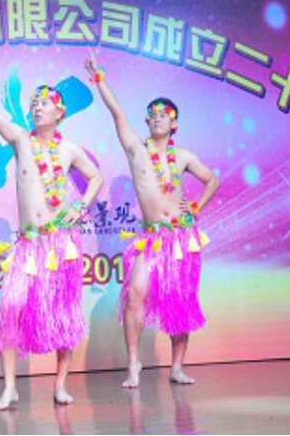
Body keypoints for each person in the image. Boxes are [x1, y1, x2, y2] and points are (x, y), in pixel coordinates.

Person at [0, 58, 103, 409]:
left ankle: (60, 386)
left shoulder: (69, 150)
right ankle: (10, 387)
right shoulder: (21, 141)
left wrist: (82, 205)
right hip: (29, 245)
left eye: (43, 103)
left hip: (61, 244)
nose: (36, 108)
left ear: (59, 111)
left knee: (63, 315)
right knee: (10, 307)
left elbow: (96, 177)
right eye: (33, 103)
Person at [84, 49, 219, 387]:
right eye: (152, 114)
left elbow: (212, 180)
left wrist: (196, 207)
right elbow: (117, 112)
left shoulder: (183, 156)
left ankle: (176, 367)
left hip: (181, 238)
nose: (157, 118)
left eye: (164, 114)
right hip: (152, 238)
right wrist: (99, 79)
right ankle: (134, 363)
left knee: (180, 301)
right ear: (146, 122)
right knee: (135, 293)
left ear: (174, 123)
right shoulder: (136, 150)